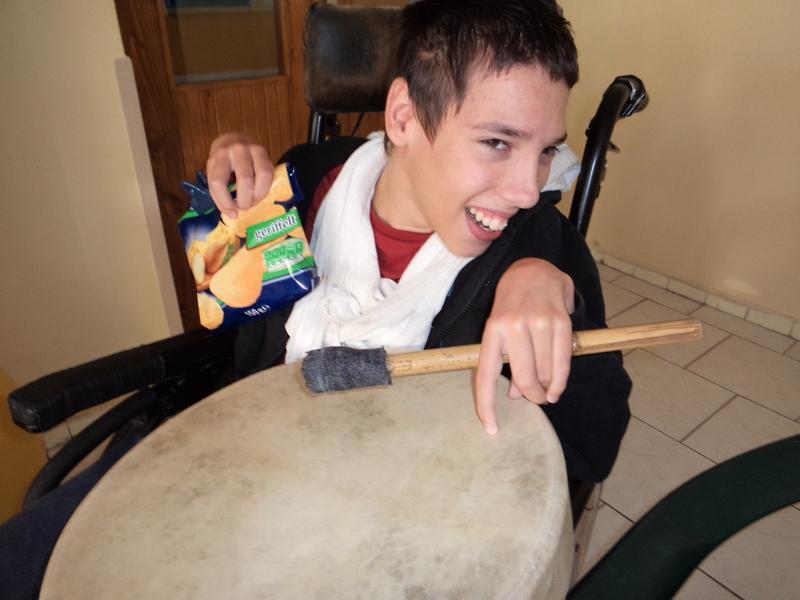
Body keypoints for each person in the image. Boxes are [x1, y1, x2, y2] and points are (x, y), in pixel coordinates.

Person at [205, 0, 631, 483]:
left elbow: (591, 449)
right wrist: (230, 198)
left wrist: (561, 311)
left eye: (547, 150)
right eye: (497, 143)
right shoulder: (303, 183)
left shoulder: (540, 244)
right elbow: (241, 347)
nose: (528, 191)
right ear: (404, 117)